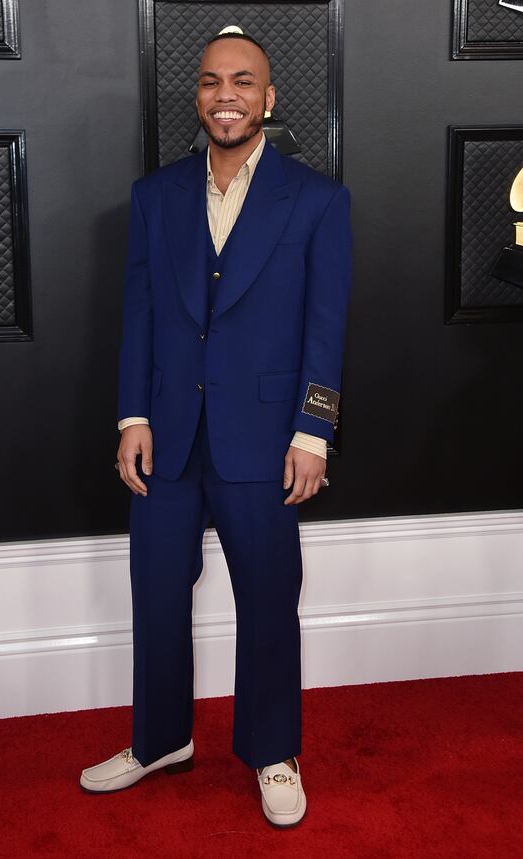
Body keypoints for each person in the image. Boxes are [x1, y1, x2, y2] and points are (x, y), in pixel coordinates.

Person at [80, 32, 352, 828]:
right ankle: (161, 738)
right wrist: (133, 414)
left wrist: (314, 431)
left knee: (269, 598)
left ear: (269, 98)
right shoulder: (154, 196)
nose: (224, 93)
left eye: (243, 81)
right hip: (165, 434)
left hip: (268, 438)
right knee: (156, 594)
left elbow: (326, 327)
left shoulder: (317, 200)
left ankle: (273, 749)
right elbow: (138, 315)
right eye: (210, 81)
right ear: (196, 97)